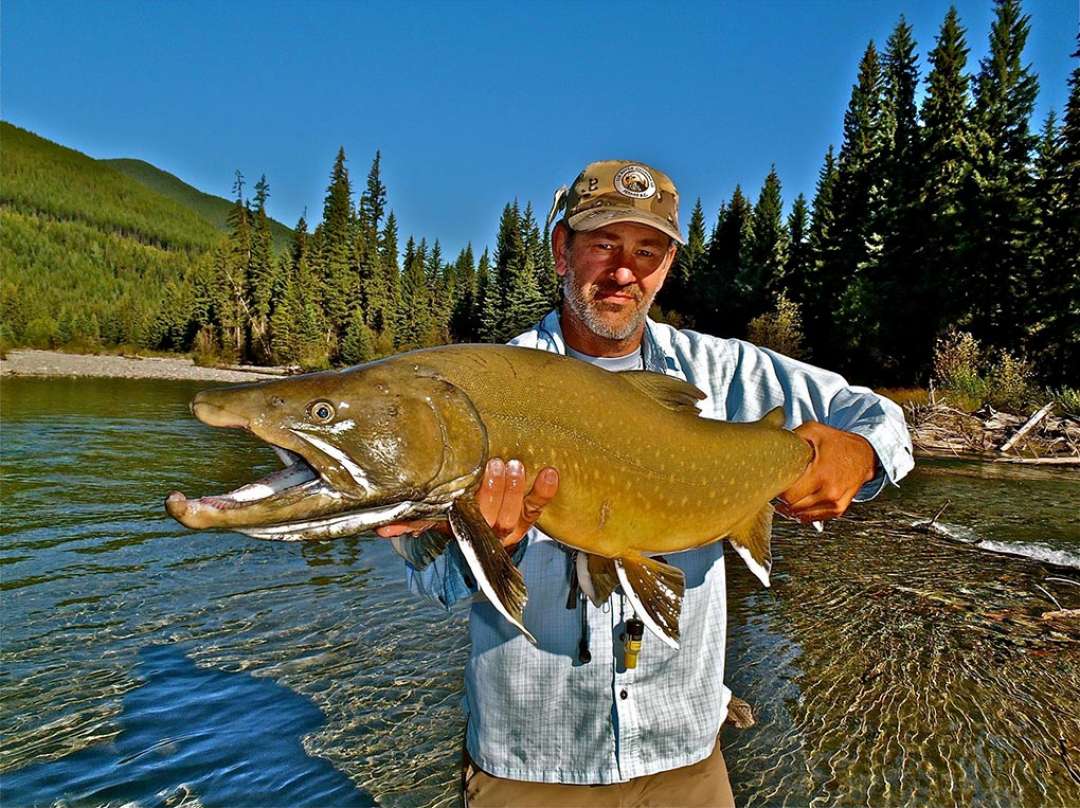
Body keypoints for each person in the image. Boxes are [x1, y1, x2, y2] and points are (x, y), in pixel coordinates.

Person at [377, 160, 913, 807]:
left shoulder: (728, 374)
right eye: (603, 244)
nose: (623, 270)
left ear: (667, 265)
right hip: (532, 763)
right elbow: (428, 578)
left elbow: (883, 422)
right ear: (561, 249)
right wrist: (479, 544)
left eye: (647, 250)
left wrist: (859, 458)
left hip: (684, 756)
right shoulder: (488, 388)